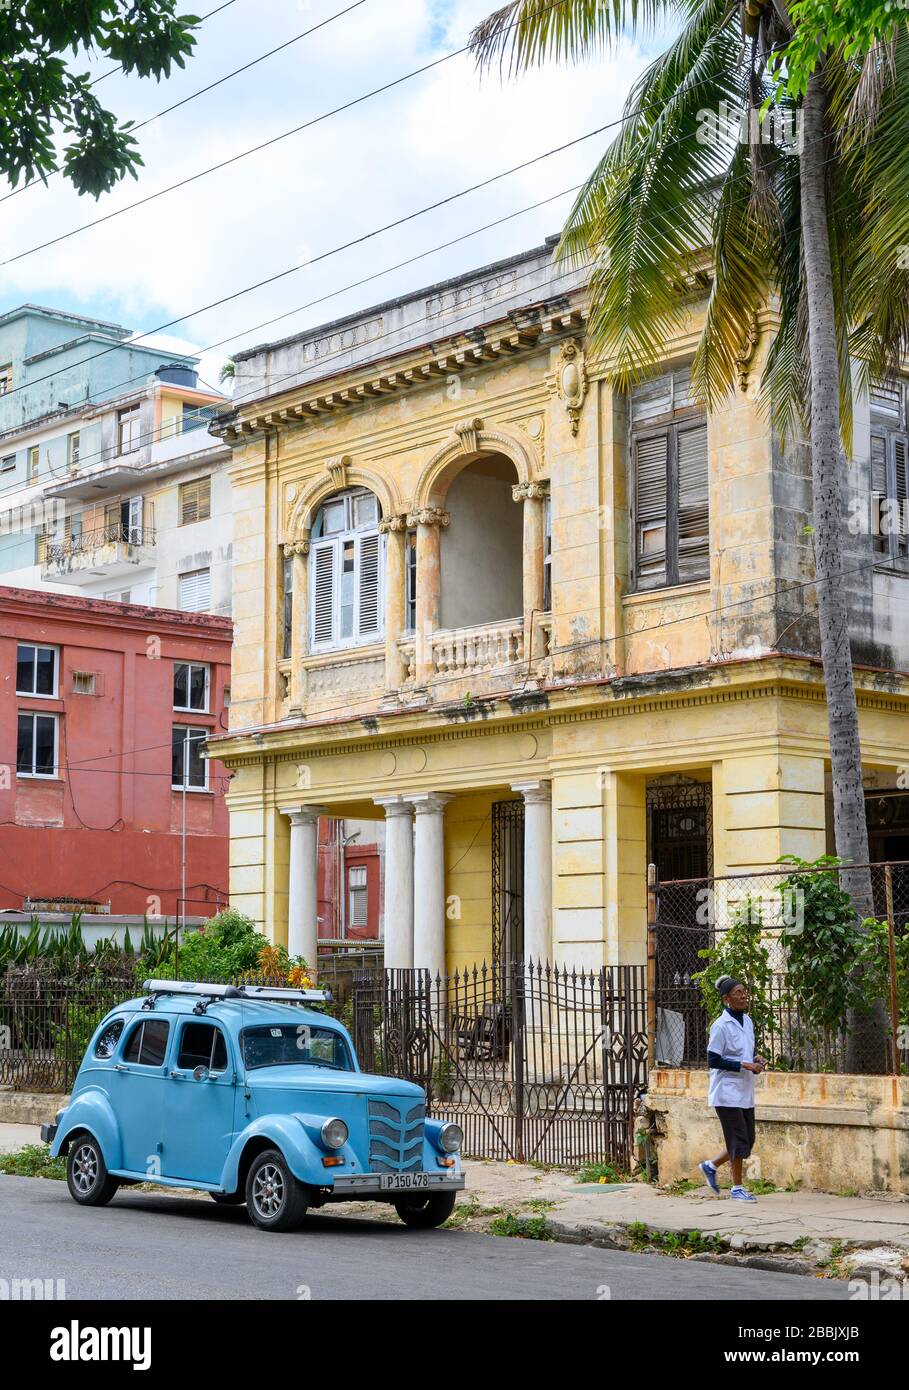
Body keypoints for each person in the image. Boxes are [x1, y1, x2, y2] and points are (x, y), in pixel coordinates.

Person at [698, 975, 766, 1202]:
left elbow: (745, 1051)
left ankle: (711, 1165)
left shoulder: (747, 1021)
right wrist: (743, 1065)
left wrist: (756, 1059)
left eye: (744, 991)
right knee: (738, 1140)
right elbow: (713, 1060)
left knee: (747, 1141)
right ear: (727, 999)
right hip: (726, 1093)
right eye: (738, 992)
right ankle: (737, 1188)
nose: (744, 995)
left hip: (744, 1091)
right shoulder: (720, 1026)